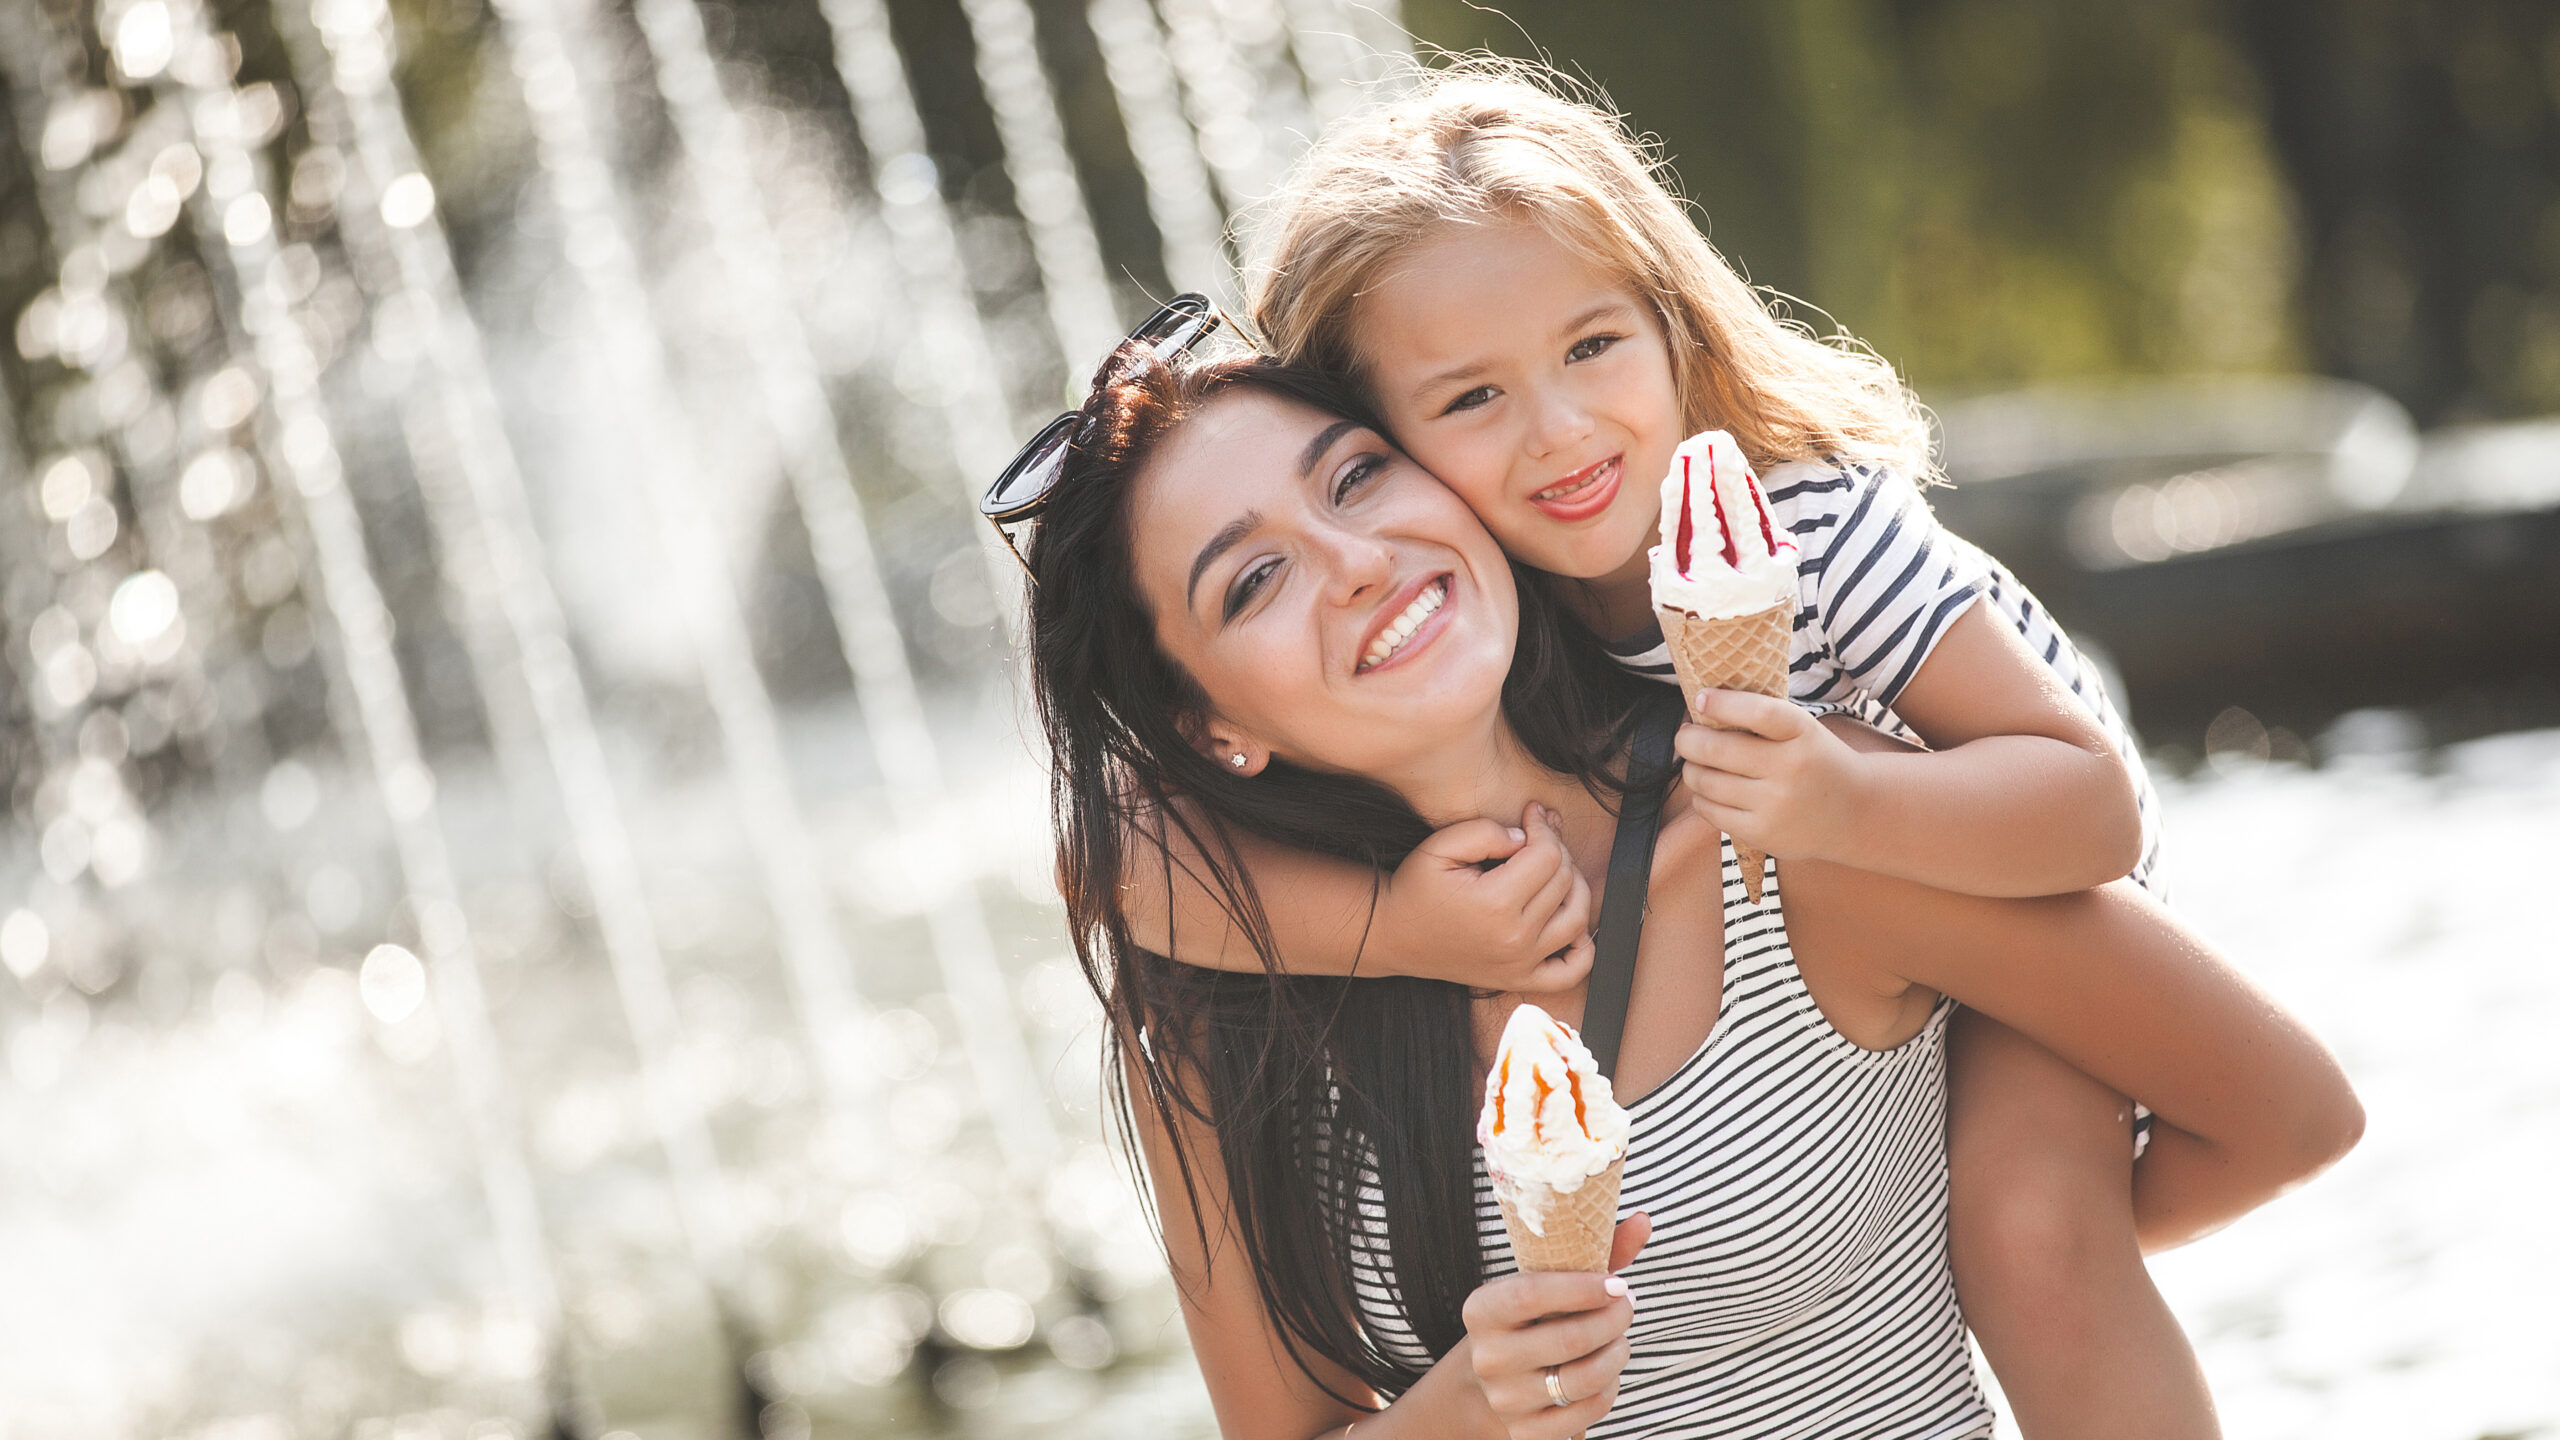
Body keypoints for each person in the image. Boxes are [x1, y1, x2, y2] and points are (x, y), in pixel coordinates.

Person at [1109, 63, 2204, 1433]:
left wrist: (1844, 799)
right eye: (1470, 399)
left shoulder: (1810, 538)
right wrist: (1402, 931)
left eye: (1590, 348)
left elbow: (2095, 809)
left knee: (2032, 1233)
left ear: (1671, 319)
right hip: (1869, 913)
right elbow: (1112, 862)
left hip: (2019, 868)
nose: (1559, 432)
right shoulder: (1507, 594)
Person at [1014, 348, 2361, 1438]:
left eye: (1357, 477)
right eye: (1255, 579)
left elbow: (2286, 1111)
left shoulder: (1798, 825)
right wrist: (1467, 1414)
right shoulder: (1216, 1023)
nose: (1355, 559)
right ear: (1208, 728)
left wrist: (2004, 1243)